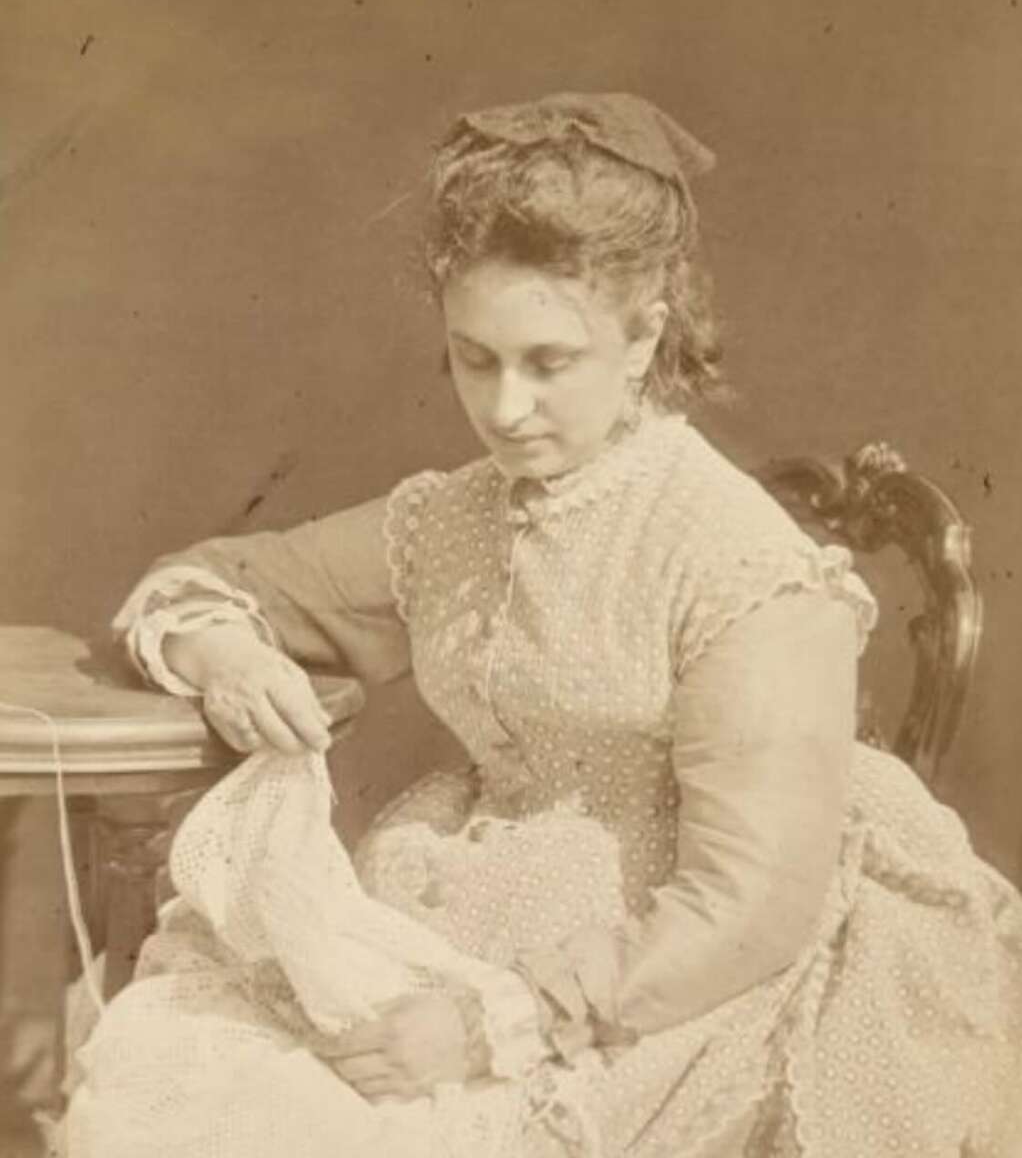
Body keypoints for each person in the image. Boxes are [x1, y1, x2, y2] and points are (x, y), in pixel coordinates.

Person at [63, 93, 1021, 1157]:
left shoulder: (742, 566)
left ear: (643, 330)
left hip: (680, 974)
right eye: (475, 359)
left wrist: (492, 1026)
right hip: (469, 905)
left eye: (547, 363)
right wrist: (224, 649)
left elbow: (748, 905)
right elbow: (211, 578)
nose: (505, 407)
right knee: (190, 1082)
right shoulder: (455, 517)